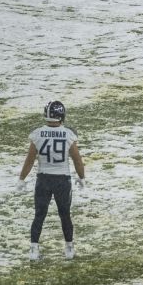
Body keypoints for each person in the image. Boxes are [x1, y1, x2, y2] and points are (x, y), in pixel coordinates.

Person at [17, 100, 85, 262]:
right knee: (65, 214)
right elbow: (77, 159)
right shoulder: (68, 134)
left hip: (44, 179)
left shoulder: (38, 133)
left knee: (39, 214)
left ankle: (34, 247)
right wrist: (81, 177)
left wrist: (21, 178)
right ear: (62, 115)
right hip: (62, 180)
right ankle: (69, 246)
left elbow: (30, 160)